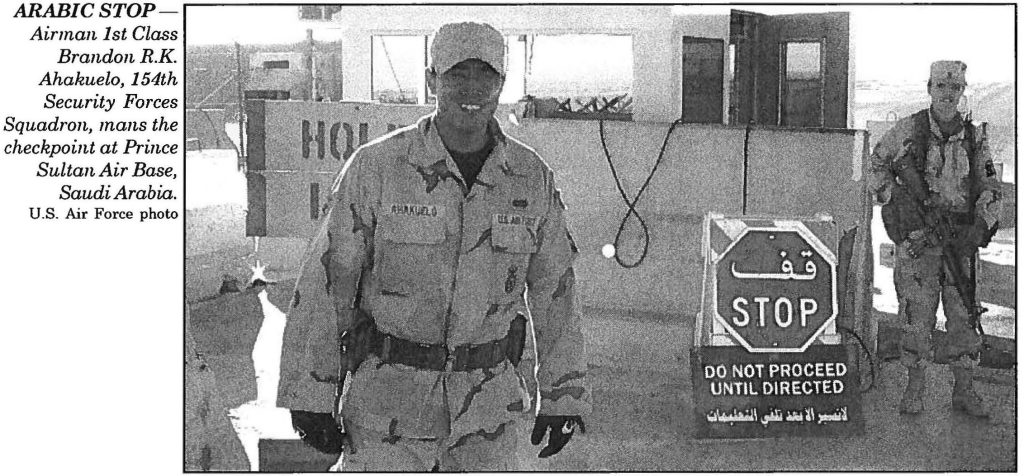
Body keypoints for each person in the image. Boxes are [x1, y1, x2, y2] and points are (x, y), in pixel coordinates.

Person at [276, 21, 590, 471]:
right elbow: (330, 280)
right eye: (457, 74)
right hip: (388, 414)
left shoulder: (530, 177)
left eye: (486, 75)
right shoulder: (378, 168)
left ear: (502, 83)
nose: (472, 88)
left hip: (489, 418)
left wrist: (565, 394)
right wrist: (310, 391)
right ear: (431, 80)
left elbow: (555, 290)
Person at [869, 60, 1002, 417]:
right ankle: (914, 388)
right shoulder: (908, 130)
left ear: (962, 92)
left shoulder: (975, 138)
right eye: (941, 88)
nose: (947, 95)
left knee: (963, 316)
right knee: (916, 316)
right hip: (919, 241)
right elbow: (876, 167)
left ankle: (964, 390)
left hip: (959, 241)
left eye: (954, 89)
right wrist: (895, 197)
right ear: (929, 88)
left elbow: (991, 188)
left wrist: (979, 228)